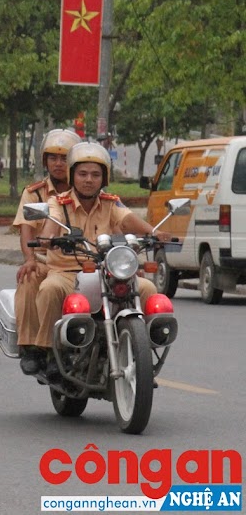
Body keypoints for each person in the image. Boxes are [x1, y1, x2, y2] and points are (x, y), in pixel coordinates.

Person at [33, 142, 170, 377]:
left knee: (147, 287)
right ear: (72, 175)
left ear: (104, 177)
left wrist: (154, 233)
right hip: (68, 272)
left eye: (95, 174)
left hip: (108, 270)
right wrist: (47, 239)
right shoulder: (58, 203)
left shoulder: (110, 202)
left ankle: (143, 347)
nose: (89, 180)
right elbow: (50, 224)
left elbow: (127, 220)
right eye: (83, 174)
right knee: (49, 289)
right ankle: (49, 352)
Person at [13, 129, 81, 375]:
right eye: (53, 158)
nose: (58, 164)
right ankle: (33, 347)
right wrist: (30, 258)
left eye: (64, 158)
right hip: (46, 260)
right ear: (45, 161)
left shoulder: (86, 187)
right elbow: (26, 231)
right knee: (29, 277)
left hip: (84, 261)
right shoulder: (35, 192)